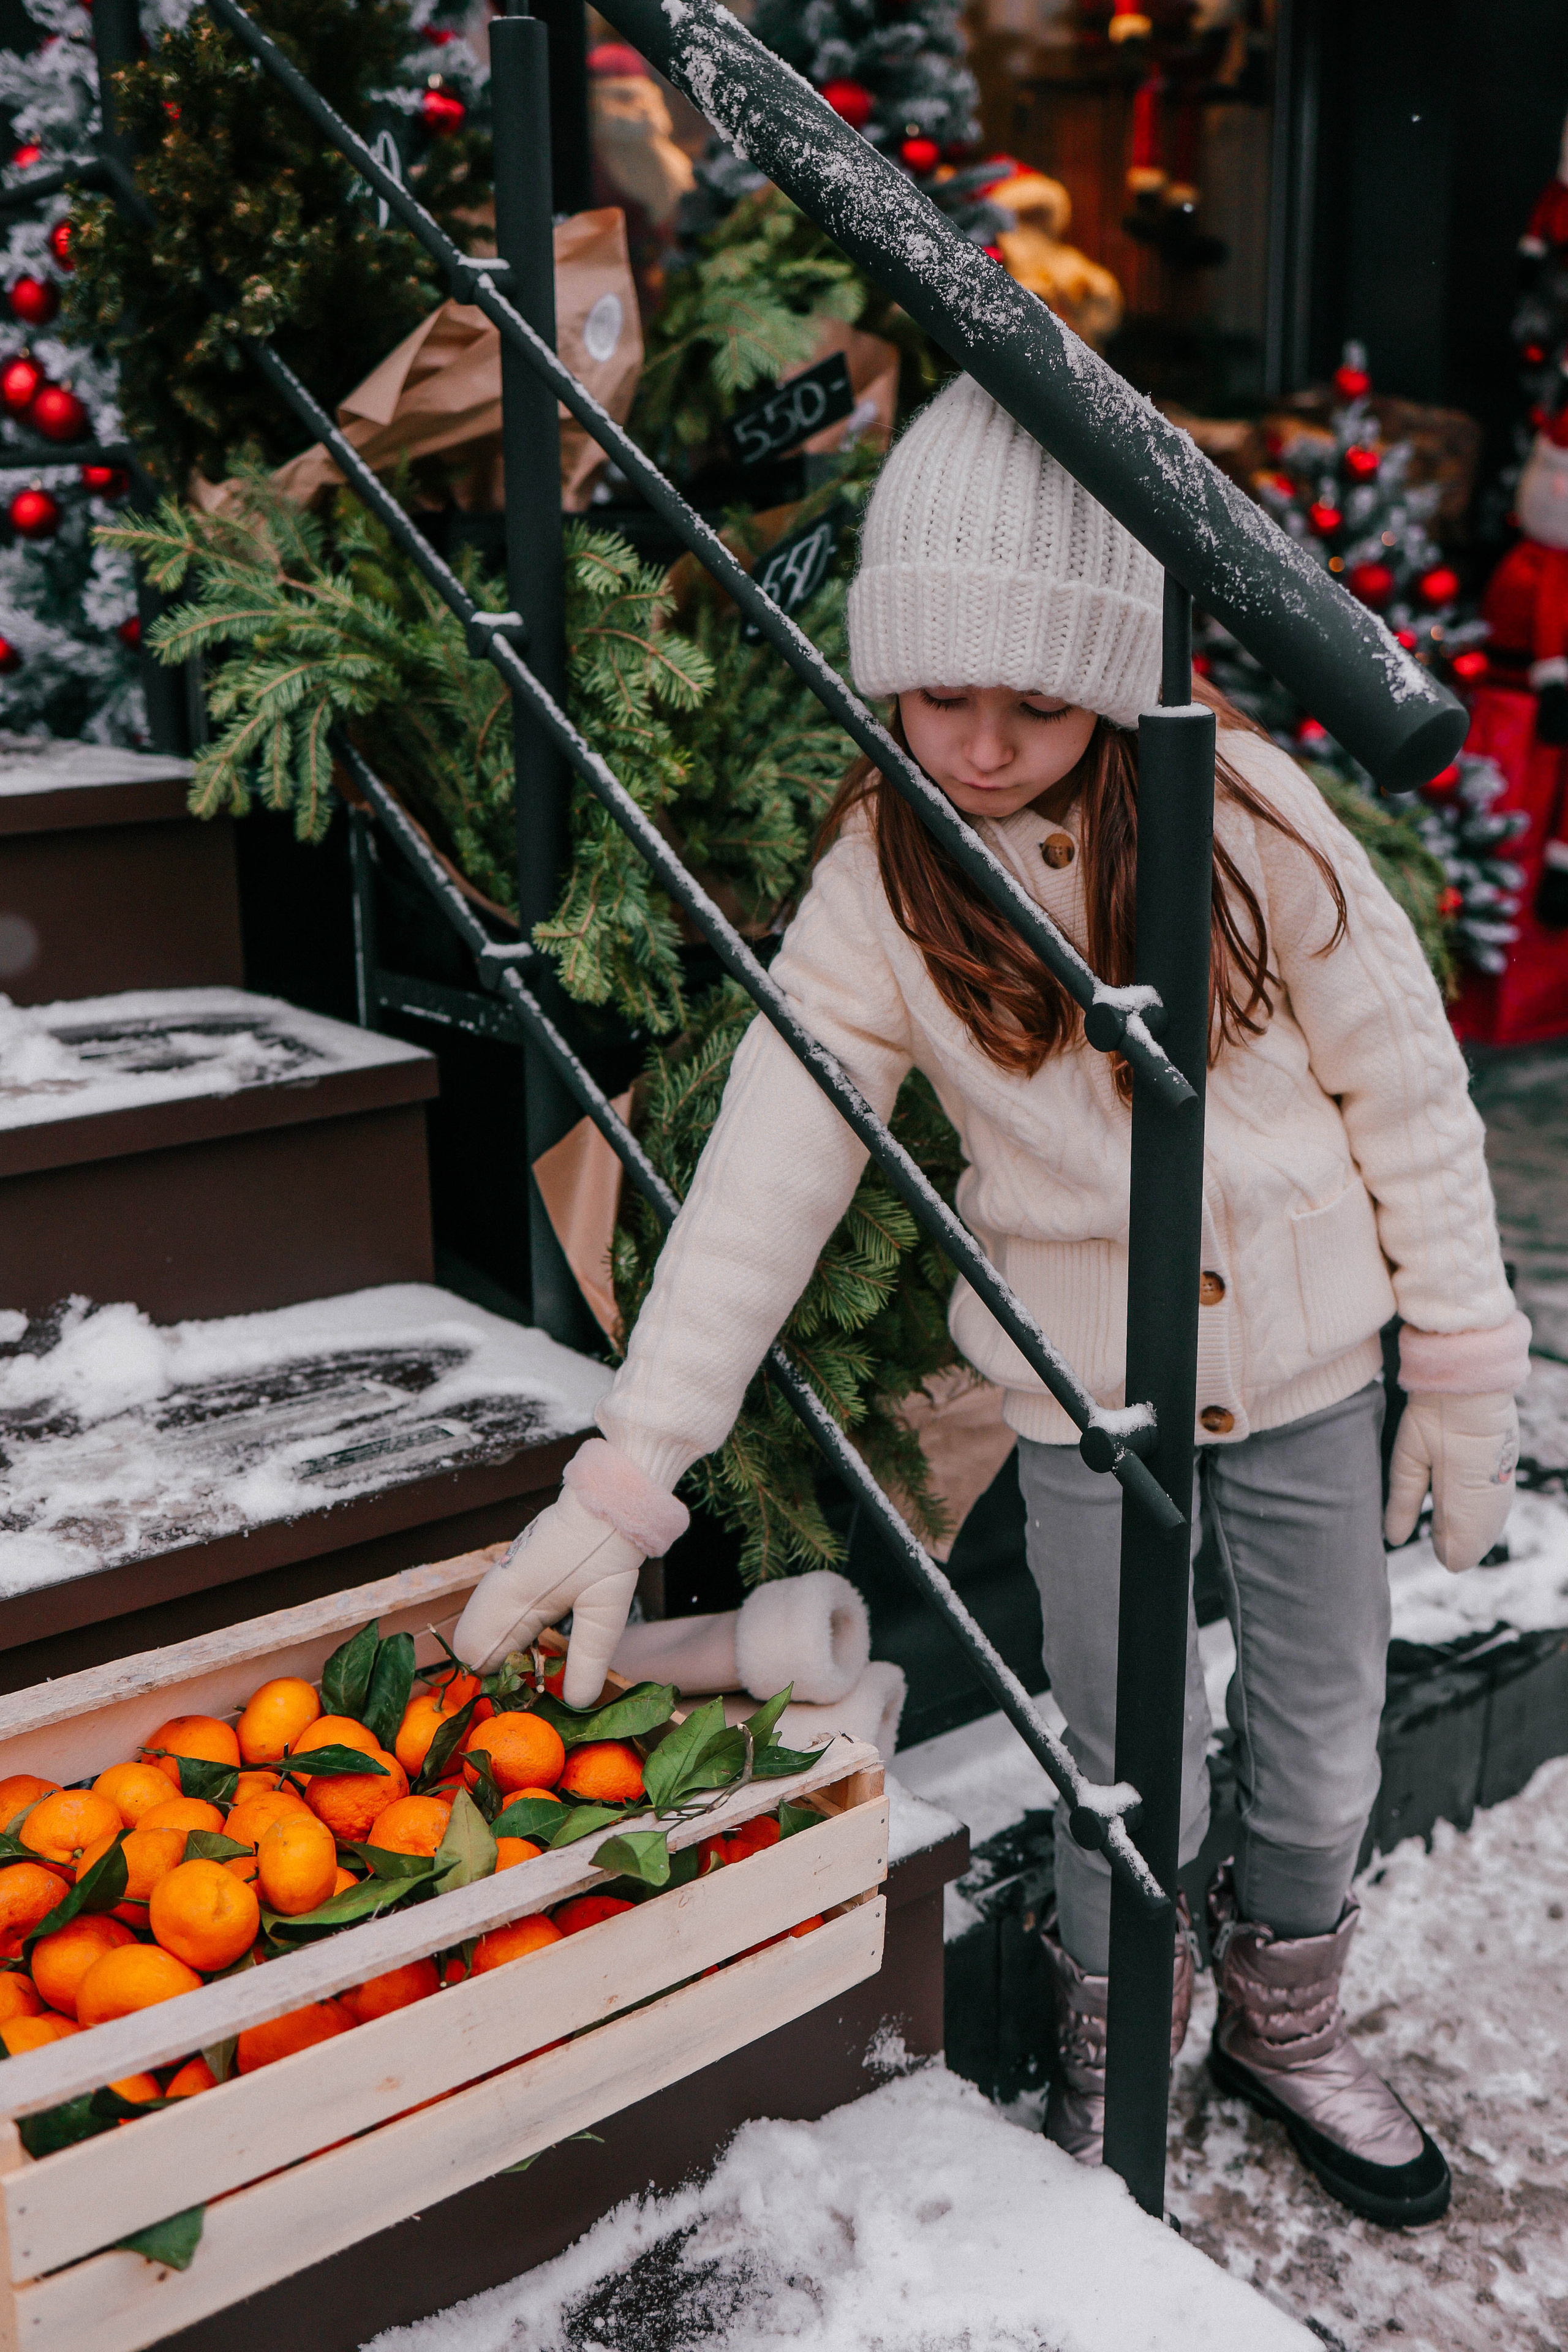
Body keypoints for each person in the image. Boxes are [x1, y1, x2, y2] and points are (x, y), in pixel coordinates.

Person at [456, 374, 1526, 2227]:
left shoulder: (1242, 813)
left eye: (1035, 702)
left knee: (1326, 1721)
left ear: (1113, 681)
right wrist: (634, 1466)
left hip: (1304, 1369)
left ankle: (1288, 2017)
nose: (978, 743)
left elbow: (1408, 1088)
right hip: (1084, 1394)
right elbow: (765, 1180)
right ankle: (1135, 2035)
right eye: (939, 694)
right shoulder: (881, 879)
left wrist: (1461, 1359)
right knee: (1126, 1765)